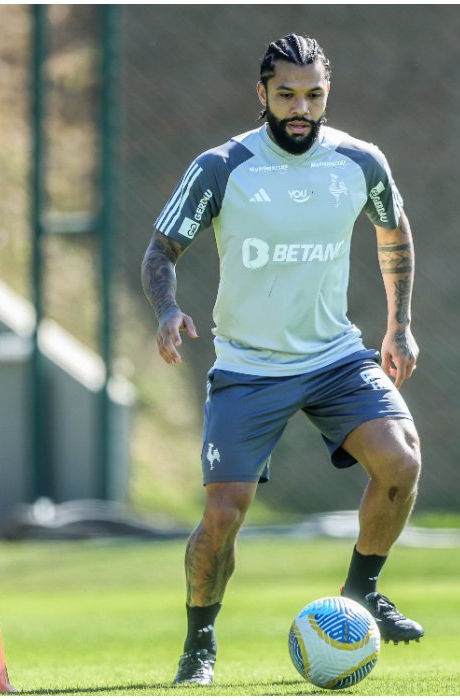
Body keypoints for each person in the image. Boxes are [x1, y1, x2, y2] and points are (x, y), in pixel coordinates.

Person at [141, 34, 424, 687]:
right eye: (287, 94)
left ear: (327, 94)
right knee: (222, 517)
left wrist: (400, 325)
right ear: (262, 93)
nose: (301, 107)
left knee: (401, 462)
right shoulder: (222, 166)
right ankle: (199, 644)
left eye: (314, 94)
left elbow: (394, 228)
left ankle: (362, 595)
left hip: (333, 357)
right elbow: (161, 250)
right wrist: (166, 311)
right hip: (248, 366)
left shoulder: (359, 160)